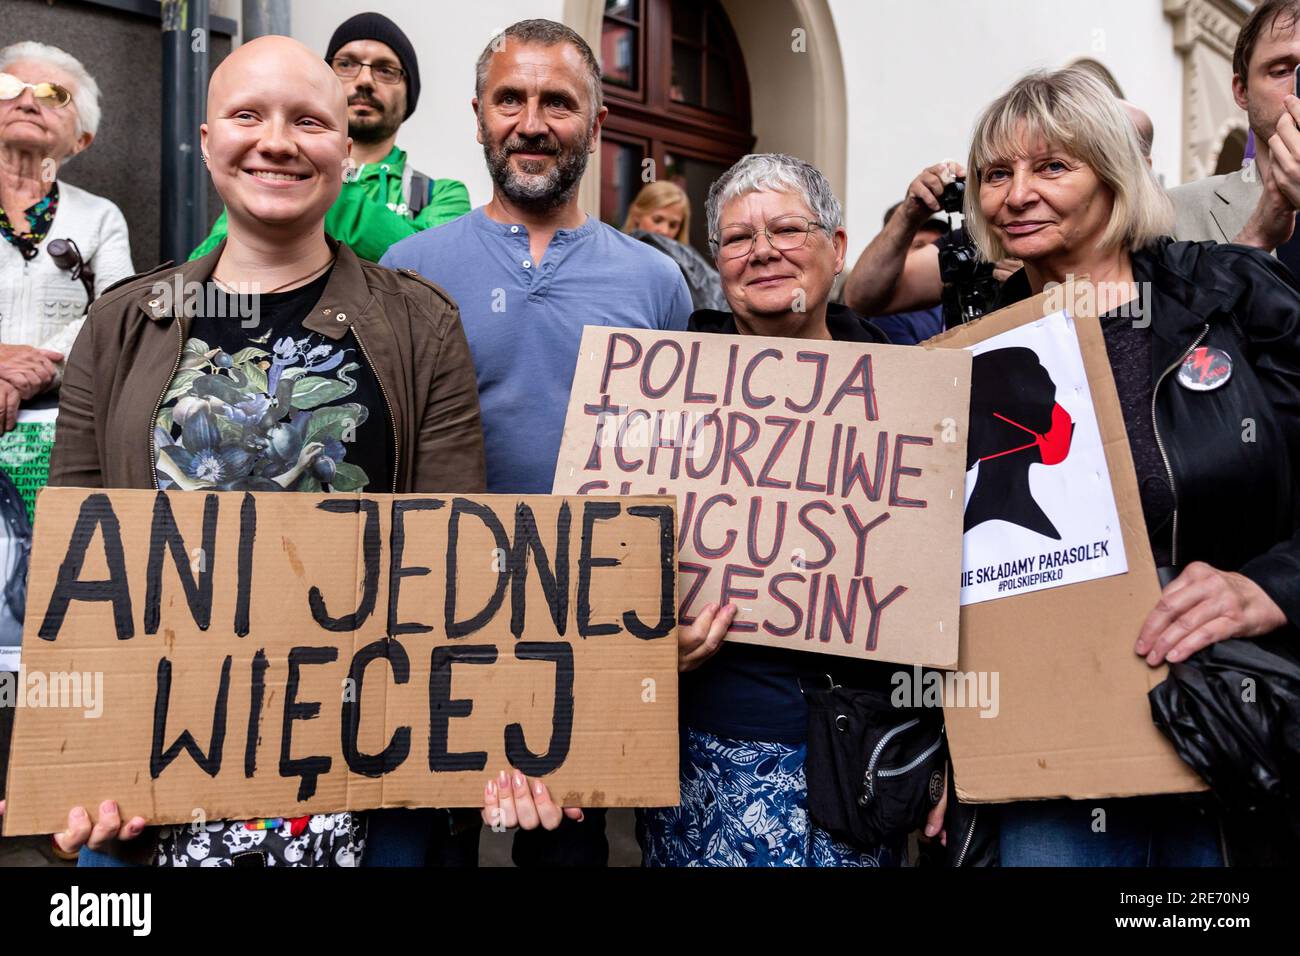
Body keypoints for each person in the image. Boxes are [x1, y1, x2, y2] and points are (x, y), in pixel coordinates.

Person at [31, 35, 486, 867]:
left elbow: (449, 553)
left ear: (345, 149)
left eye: (308, 121)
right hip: (152, 768)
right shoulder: (124, 321)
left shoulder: (423, 324)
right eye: (248, 115)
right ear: (208, 143)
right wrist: (75, 758)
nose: (276, 140)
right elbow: (78, 560)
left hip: (365, 766)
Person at [965, 66, 1300, 866]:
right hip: (1052, 747)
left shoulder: (1235, 298)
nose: (1016, 195)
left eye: (1051, 166)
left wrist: (1268, 589)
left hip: (1232, 723)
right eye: (994, 174)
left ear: (1114, 174)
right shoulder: (976, 340)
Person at [380, 18, 693, 868]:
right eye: (509, 98)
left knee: (568, 851)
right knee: (427, 843)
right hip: (436, 626)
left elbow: (682, 463)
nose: (532, 121)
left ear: (595, 126)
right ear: (478, 116)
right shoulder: (409, 270)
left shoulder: (656, 280)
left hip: (590, 633)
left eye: (559, 102)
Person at [632, 152, 944, 867]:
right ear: (717, 262)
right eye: (738, 238)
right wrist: (644, 643)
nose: (763, 251)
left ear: (836, 248)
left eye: (786, 229)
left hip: (858, 768)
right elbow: (609, 565)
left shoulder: (911, 393)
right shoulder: (664, 385)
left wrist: (947, 749)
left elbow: (949, 596)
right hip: (698, 761)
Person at [190, 12, 469, 263]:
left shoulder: (443, 195)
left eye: (385, 70)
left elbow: (431, 266)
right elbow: (209, 269)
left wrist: (323, 178)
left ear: (410, 94)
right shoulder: (268, 176)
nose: (364, 81)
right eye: (346, 64)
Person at [0, 42, 133, 432]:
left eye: (52, 94)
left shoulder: (100, 216)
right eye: (9, 87)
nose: (27, 102)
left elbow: (118, 314)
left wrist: (38, 369)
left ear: (81, 139)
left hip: (61, 426)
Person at [1169, 0, 1300, 262]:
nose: (1297, 87)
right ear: (1242, 91)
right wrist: (1252, 242)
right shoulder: (1173, 214)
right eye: (1281, 71)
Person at [866, 200, 949, 344]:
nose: (930, 254)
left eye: (937, 246)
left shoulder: (955, 301)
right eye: (919, 246)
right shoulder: (887, 317)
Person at [622, 180, 689, 241]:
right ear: (637, 215)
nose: (664, 231)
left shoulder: (687, 254)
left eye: (673, 225)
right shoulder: (615, 251)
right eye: (657, 220)